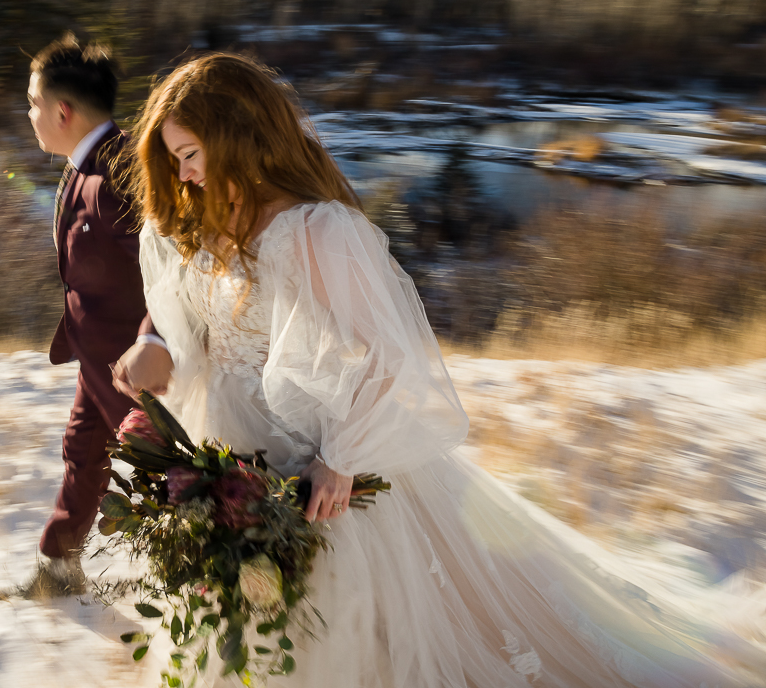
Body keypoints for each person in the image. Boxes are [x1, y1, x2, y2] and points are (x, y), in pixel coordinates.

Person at [119, 52, 766, 686]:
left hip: (315, 454)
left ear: (238, 138)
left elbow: (389, 355)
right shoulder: (199, 223)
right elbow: (190, 320)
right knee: (240, 609)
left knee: (336, 612)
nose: (184, 173)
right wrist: (159, 347)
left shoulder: (314, 229)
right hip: (224, 445)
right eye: (175, 157)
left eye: (192, 153)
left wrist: (342, 458)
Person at [0, 34, 170, 600]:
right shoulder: (83, 165)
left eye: (33, 103)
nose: (30, 115)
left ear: (62, 110)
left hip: (138, 370)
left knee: (171, 474)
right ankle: (58, 571)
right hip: (98, 357)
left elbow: (171, 267)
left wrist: (155, 342)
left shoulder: (119, 169)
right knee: (81, 451)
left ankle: (225, 575)